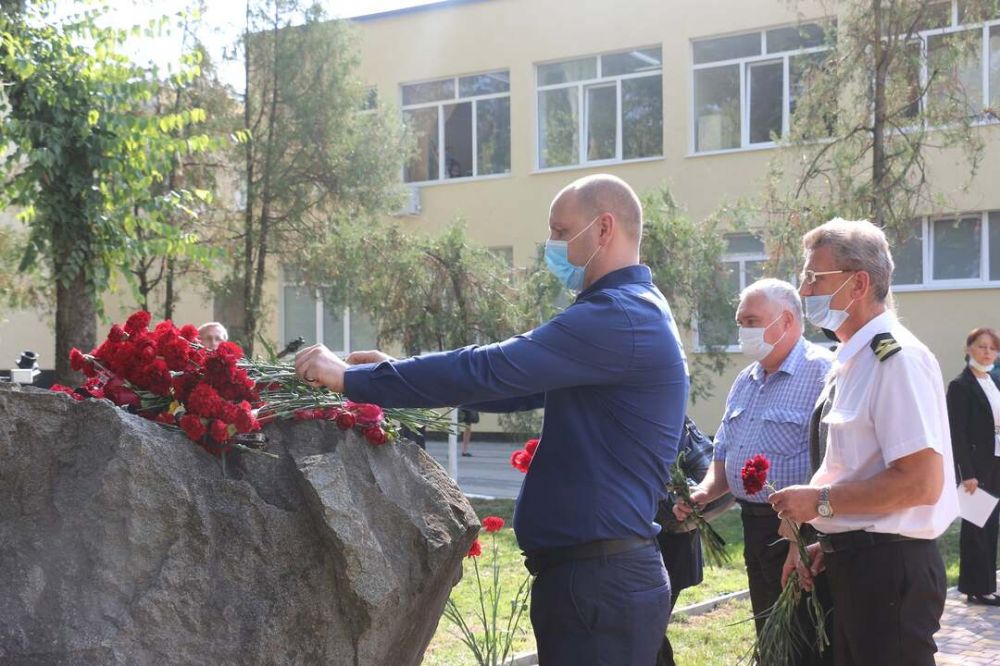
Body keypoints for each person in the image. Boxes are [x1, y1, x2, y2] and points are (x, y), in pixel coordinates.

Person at [295, 173, 690, 665]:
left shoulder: (618, 316)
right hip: (597, 579)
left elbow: (490, 367)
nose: (553, 245)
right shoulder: (628, 312)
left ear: (604, 229)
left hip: (599, 586)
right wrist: (389, 372)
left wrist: (354, 381)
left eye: (562, 231)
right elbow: (515, 385)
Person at [770, 218, 959, 666]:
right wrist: (834, 541)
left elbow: (920, 484)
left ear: (858, 283)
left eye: (815, 277)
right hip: (858, 563)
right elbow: (860, 468)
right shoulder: (852, 359)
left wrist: (820, 502)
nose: (804, 288)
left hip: (889, 571)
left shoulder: (895, 358)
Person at [673, 278, 832, 660]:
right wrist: (702, 493)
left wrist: (801, 533)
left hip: (802, 531)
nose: (743, 330)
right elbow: (724, 457)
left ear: (787, 320)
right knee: (771, 636)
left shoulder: (824, 372)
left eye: (752, 320)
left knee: (806, 641)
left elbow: (836, 460)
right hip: (756, 527)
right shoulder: (746, 380)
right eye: (740, 321)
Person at [654, 416, 728, 666]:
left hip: (665, 543)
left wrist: (680, 498)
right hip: (631, 542)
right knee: (644, 635)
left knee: (645, 635)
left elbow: (708, 475)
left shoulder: (664, 413)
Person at [946, 326, 1000, 606]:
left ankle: (986, 586)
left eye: (992, 348)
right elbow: (957, 433)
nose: (987, 352)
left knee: (991, 526)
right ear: (969, 349)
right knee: (976, 526)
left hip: (996, 462)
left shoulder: (993, 382)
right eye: (982, 346)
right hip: (975, 468)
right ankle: (976, 588)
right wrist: (966, 473)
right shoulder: (960, 386)